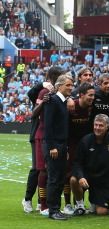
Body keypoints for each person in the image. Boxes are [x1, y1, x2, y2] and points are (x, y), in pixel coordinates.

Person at [22, 66, 64, 214]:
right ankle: (30, 200)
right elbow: (32, 99)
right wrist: (42, 86)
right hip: (39, 134)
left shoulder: (58, 93)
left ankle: (42, 202)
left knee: (46, 169)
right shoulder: (44, 91)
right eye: (61, 76)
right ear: (54, 77)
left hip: (50, 135)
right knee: (39, 169)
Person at [43, 74, 74, 220]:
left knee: (60, 177)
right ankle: (53, 210)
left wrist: (65, 148)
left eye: (71, 85)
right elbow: (48, 125)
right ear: (59, 86)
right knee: (54, 178)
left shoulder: (62, 102)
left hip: (61, 145)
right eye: (68, 85)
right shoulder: (53, 101)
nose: (71, 88)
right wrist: (52, 146)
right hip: (55, 145)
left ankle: (56, 208)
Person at [65, 83, 94, 215]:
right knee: (72, 176)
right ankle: (75, 204)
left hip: (88, 146)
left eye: (94, 95)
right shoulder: (71, 105)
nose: (92, 98)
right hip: (71, 146)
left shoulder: (92, 107)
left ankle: (93, 203)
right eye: (90, 95)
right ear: (81, 95)